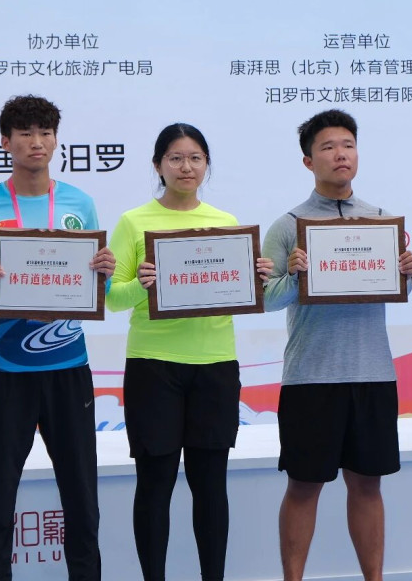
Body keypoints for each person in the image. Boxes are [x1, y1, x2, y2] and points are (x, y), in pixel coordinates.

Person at [0, 94, 113, 581]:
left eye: (45, 132)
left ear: (56, 140)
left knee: (81, 498)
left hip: (69, 369)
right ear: (6, 142)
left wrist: (105, 273)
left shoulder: (79, 203)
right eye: (25, 133)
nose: (36, 142)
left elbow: (98, 289)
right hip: (6, 371)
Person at [106, 122, 273, 581]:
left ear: (206, 165)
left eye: (196, 158)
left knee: (211, 486)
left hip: (215, 365)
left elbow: (237, 295)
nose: (186, 167)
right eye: (176, 158)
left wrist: (255, 280)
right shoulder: (134, 221)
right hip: (153, 366)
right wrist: (142, 285)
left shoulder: (226, 223)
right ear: (158, 165)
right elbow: (112, 297)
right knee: (154, 484)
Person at [262, 109, 412, 581]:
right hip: (311, 376)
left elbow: (398, 291)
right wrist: (296, 274)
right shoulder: (288, 225)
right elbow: (267, 299)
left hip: (372, 372)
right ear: (309, 161)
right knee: (303, 486)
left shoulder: (382, 221)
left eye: (347, 145)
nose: (340, 154)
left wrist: (406, 273)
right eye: (327, 147)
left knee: (368, 486)